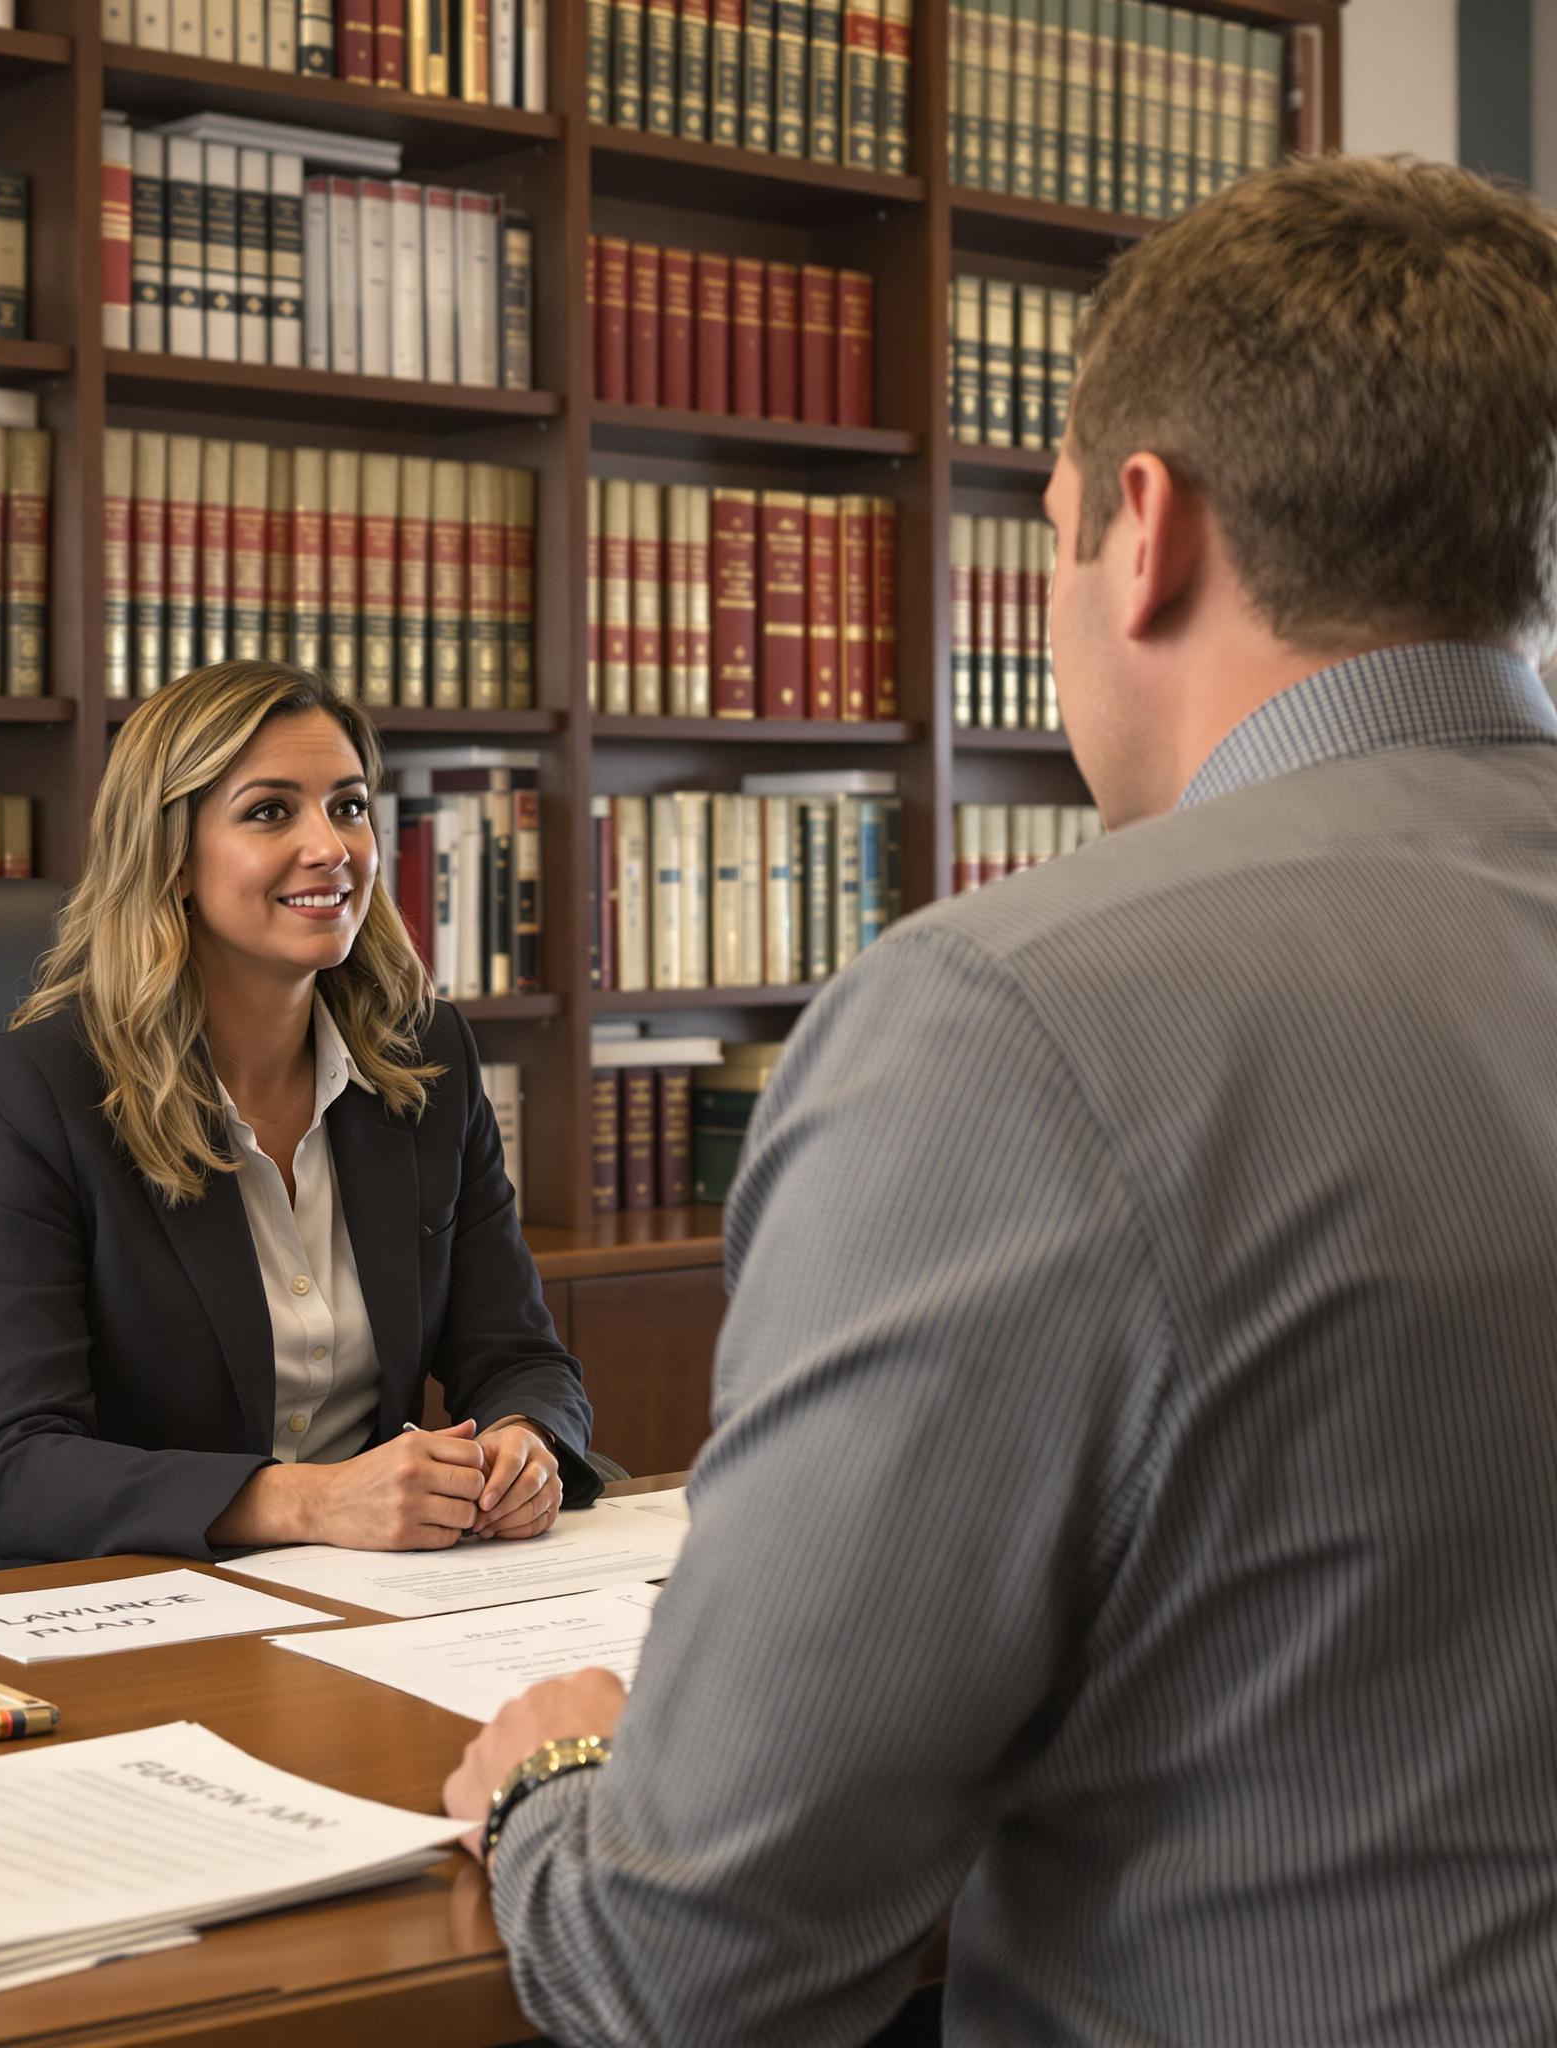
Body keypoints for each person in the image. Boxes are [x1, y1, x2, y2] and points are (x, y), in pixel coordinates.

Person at [444, 155, 1557, 2045]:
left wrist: (563, 1783)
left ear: (1146, 530)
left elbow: (694, 1965)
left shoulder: (1012, 1020)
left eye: (1041, 532)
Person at [0, 662, 597, 1573]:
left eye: (349, 806)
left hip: (356, 1593)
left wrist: (525, 1440)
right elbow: (16, 1467)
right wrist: (315, 1499)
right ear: (171, 853)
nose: (331, 846)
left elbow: (518, 1351)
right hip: (111, 1595)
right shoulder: (38, 1093)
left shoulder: (422, 1061)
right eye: (270, 811)